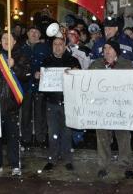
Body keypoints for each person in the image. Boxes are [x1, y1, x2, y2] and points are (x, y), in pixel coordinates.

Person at [90, 40, 133, 179]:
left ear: (117, 51)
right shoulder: (96, 65)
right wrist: (73, 73)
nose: (107, 51)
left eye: (110, 48)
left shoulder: (126, 64)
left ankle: (127, 166)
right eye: (105, 48)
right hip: (102, 108)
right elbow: (85, 79)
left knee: (123, 137)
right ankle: (103, 166)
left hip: (120, 108)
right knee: (102, 137)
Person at [0, 32, 31, 176]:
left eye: (9, 38)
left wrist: (14, 67)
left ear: (14, 42)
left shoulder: (20, 56)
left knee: (13, 137)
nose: (6, 40)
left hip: (12, 104)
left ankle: (15, 165)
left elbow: (26, 75)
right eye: (3, 38)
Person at [41, 37, 81, 171]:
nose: (58, 47)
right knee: (52, 132)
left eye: (60, 44)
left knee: (67, 132)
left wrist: (75, 72)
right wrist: (37, 75)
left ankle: (67, 159)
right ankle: (52, 159)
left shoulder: (72, 60)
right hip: (51, 103)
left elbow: (79, 78)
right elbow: (41, 79)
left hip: (68, 102)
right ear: (52, 46)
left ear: (65, 46)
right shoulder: (46, 61)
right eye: (55, 44)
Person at [20, 26, 51, 148]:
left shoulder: (45, 48)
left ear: (39, 35)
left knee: (40, 113)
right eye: (31, 31)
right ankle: (26, 139)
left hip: (40, 86)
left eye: (36, 32)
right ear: (27, 33)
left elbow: (49, 64)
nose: (33, 34)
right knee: (26, 114)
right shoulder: (21, 48)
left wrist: (42, 72)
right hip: (25, 85)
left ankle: (41, 138)